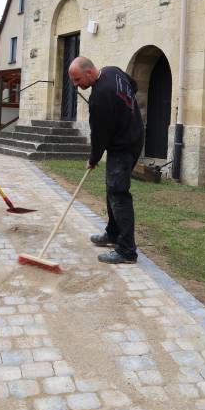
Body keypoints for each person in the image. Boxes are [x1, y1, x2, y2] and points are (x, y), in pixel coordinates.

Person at [68, 56, 144, 264]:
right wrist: (125, 114)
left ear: (89, 72)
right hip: (135, 137)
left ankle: (127, 251)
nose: (76, 86)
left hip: (123, 146)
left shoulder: (100, 96)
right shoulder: (113, 70)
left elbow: (99, 135)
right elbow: (134, 85)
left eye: (77, 80)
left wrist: (93, 159)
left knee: (119, 194)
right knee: (113, 188)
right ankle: (112, 233)